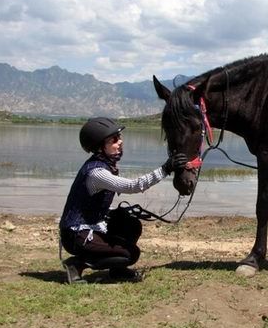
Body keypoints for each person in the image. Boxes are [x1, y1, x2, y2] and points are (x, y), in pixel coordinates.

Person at [59, 117, 186, 284]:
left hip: (92, 225)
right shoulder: (97, 173)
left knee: (130, 224)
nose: (120, 142)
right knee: (130, 254)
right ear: (99, 147)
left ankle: (117, 270)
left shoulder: (104, 165)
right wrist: (165, 169)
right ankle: (76, 264)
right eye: (114, 139)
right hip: (77, 234)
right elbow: (134, 186)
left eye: (119, 137)